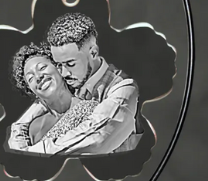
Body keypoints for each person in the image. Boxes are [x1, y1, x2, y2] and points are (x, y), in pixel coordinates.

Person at [8, 13, 143, 155]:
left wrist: (29, 153)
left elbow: (96, 138)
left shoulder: (123, 88)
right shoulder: (72, 84)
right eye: (59, 65)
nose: (64, 73)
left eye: (70, 64)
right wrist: (23, 123)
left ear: (93, 53)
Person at [7, 43, 101, 151]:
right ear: (31, 90)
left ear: (59, 68)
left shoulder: (94, 110)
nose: (38, 77)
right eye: (31, 78)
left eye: (42, 68)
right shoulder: (34, 129)